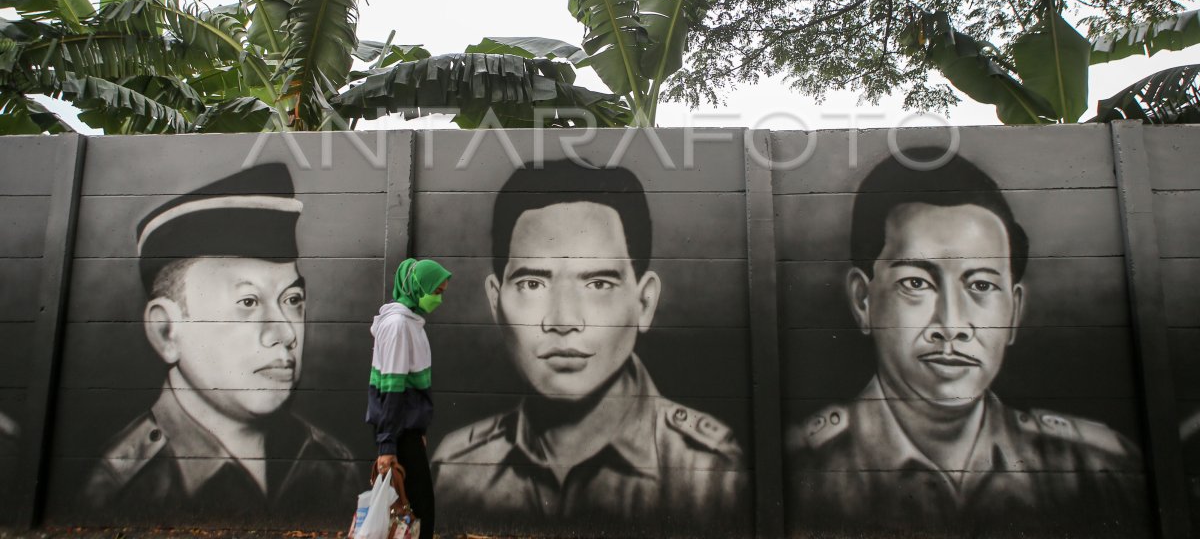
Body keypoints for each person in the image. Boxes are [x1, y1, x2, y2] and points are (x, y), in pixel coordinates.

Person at [786, 147, 1146, 536]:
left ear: (1014, 310)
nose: (952, 325)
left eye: (981, 285)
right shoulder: (799, 468)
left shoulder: (1097, 469)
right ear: (863, 300)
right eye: (916, 284)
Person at [431, 160, 746, 535]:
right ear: (496, 302)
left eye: (598, 284)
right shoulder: (454, 469)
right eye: (533, 284)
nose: (564, 321)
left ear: (644, 303)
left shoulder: (714, 474)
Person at [83, 163, 359, 523]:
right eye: (248, 302)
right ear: (167, 331)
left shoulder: (332, 465)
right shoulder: (120, 489)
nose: (285, 333)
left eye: (292, 301)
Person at [366, 258, 452, 539]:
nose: (438, 298)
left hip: (406, 430)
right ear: (418, 288)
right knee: (421, 511)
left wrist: (419, 430)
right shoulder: (399, 326)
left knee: (414, 510)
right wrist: (387, 445)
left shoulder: (410, 323)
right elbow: (392, 388)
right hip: (398, 432)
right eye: (435, 291)